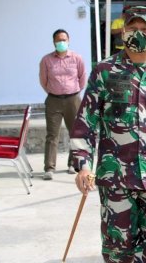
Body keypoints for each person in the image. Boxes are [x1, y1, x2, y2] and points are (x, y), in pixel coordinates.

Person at [69, 6, 146, 263]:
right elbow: (85, 122)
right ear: (123, 32)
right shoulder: (105, 71)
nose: (139, 34)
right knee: (118, 246)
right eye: (133, 28)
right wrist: (83, 165)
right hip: (116, 179)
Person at [39, 29, 86, 180]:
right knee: (52, 134)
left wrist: (74, 91)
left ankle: (72, 164)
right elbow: (43, 80)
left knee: (75, 133)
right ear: (54, 42)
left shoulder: (77, 58)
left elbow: (82, 77)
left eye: (64, 39)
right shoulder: (46, 60)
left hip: (73, 100)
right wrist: (54, 91)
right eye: (59, 40)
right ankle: (49, 168)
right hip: (53, 100)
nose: (62, 42)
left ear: (69, 40)